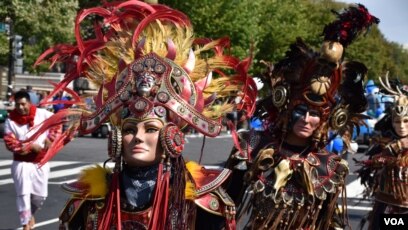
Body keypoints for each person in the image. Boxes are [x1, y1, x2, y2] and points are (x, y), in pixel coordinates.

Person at [30, 1, 257, 229]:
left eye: (150, 129)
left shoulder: (198, 202)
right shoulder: (90, 200)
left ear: (171, 138)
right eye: (129, 130)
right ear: (117, 139)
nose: (137, 137)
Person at [224, 4, 378, 229]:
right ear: (286, 107)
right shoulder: (254, 145)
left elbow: (330, 222)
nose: (306, 119)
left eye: (315, 114)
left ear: (326, 120)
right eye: (300, 110)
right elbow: (225, 205)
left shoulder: (330, 167)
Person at [3, 90, 61, 230]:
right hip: (21, 163)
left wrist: (50, 139)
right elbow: (10, 142)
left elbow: (58, 122)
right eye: (17, 105)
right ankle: (25, 224)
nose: (20, 107)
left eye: (23, 104)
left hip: (40, 163)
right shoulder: (10, 121)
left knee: (40, 196)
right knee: (23, 193)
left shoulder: (43, 114)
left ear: (29, 103)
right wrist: (30, 147)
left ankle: (30, 215)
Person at [356, 75, 408, 230]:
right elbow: (373, 165)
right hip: (386, 205)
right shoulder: (385, 143)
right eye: (397, 121)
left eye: (406, 121)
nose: (402, 126)